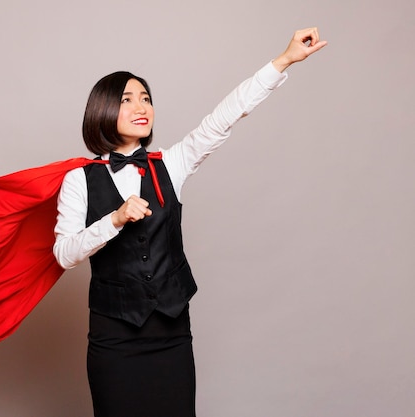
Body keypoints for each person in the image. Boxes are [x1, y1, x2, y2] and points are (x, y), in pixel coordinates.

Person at [53, 27, 327, 417]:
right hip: (113, 338)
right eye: (127, 99)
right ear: (103, 109)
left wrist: (282, 61)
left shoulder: (174, 162)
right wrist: (113, 219)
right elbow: (64, 254)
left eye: (145, 98)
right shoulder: (78, 180)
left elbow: (224, 117)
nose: (140, 106)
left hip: (171, 333)